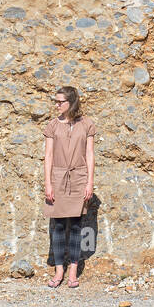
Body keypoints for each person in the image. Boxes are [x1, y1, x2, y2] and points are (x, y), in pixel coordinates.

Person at [43, 86, 96, 288]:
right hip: (57, 177)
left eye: (60, 102)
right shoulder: (52, 126)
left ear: (71, 102)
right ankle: (59, 271)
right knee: (57, 226)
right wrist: (48, 183)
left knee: (75, 225)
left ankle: (73, 271)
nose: (56, 105)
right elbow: (48, 156)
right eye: (55, 101)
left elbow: (90, 154)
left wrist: (89, 182)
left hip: (79, 177)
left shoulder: (87, 125)